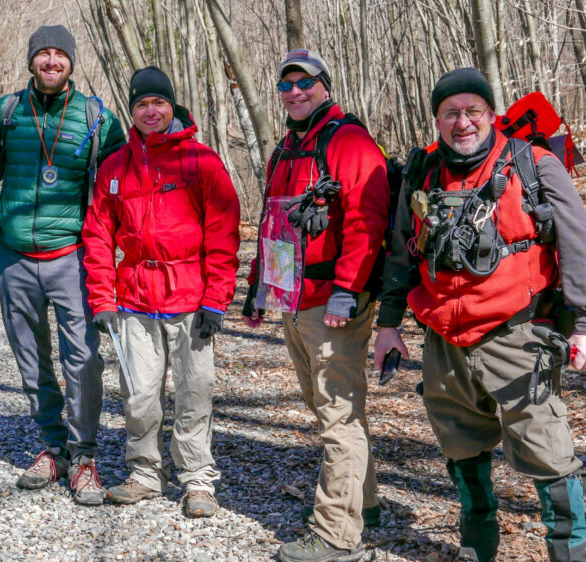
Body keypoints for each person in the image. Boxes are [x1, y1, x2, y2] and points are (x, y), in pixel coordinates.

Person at [375, 67, 586, 562]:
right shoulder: (422, 172)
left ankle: (571, 554)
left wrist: (582, 325)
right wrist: (387, 324)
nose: (462, 122)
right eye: (451, 113)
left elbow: (578, 246)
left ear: (491, 115)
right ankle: (477, 549)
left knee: (550, 456)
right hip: (443, 342)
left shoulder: (531, 164)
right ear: (437, 120)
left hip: (519, 334)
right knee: (461, 450)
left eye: (473, 111)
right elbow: (401, 253)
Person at [242, 49, 388, 561]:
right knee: (327, 407)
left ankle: (334, 536)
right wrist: (259, 287)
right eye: (286, 85)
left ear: (325, 85)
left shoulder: (347, 140)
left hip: (333, 304)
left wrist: (348, 289)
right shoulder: (285, 149)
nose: (295, 91)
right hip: (293, 300)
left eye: (305, 82)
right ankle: (362, 505)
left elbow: (367, 221)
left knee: (337, 417)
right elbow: (272, 224)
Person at [83, 66, 240, 518]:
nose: (150, 112)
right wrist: (102, 298)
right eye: (141, 105)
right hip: (134, 299)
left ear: (171, 106)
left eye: (158, 103)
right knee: (138, 394)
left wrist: (216, 299)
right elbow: (97, 234)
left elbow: (224, 233)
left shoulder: (201, 161)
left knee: (195, 392)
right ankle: (145, 472)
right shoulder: (116, 166)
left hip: (191, 298)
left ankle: (197, 480)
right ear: (131, 111)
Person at [0, 25, 125, 506]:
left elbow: (115, 195)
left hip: (72, 256)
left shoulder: (97, 118)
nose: (50, 61)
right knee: (31, 361)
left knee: (83, 361)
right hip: (15, 256)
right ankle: (53, 447)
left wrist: (111, 259)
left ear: (71, 62)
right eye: (42, 53)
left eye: (59, 54)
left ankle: (84, 455)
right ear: (31, 61)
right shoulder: (6, 113)